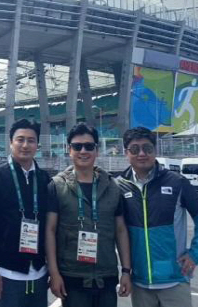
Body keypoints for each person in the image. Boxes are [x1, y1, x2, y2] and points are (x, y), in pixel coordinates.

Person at [117, 126, 198, 307]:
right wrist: (126, 272)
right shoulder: (119, 186)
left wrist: (195, 254)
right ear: (126, 152)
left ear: (155, 150)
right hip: (140, 282)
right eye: (135, 149)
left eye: (148, 148)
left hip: (175, 280)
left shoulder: (177, 182)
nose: (142, 154)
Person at [46, 123, 132, 307]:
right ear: (69, 150)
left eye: (89, 146)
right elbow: (50, 231)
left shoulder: (112, 187)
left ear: (97, 150)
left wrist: (126, 271)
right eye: (77, 146)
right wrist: (54, 273)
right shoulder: (57, 186)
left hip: (106, 277)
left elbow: (121, 230)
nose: (83, 151)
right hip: (72, 277)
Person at [0, 118, 51, 307]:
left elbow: (51, 227)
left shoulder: (44, 179)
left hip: (39, 273)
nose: (25, 145)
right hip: (5, 273)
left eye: (31, 140)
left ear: (37, 145)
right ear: (10, 142)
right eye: (20, 139)